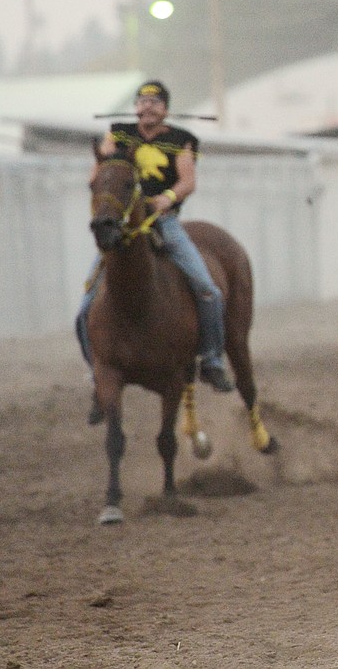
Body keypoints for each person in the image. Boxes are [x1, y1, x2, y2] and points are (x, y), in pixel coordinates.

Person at [76, 80, 233, 424]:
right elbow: (99, 171)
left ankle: (211, 359)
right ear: (135, 107)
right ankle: (97, 378)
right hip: (123, 225)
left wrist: (168, 198)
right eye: (142, 101)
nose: (147, 107)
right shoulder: (117, 134)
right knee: (86, 305)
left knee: (207, 289)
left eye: (155, 102)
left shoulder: (181, 139)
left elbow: (188, 180)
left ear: (166, 109)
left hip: (163, 222)